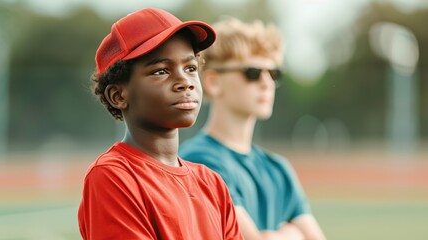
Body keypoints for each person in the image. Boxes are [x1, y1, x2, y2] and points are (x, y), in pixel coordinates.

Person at [77, 8, 244, 240]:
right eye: (161, 71)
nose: (185, 82)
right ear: (118, 95)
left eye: (191, 68)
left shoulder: (212, 183)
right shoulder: (113, 176)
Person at [179, 18, 326, 240]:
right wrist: (293, 234)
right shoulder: (198, 162)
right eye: (253, 72)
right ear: (213, 82)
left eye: (274, 73)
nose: (267, 82)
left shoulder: (278, 169)